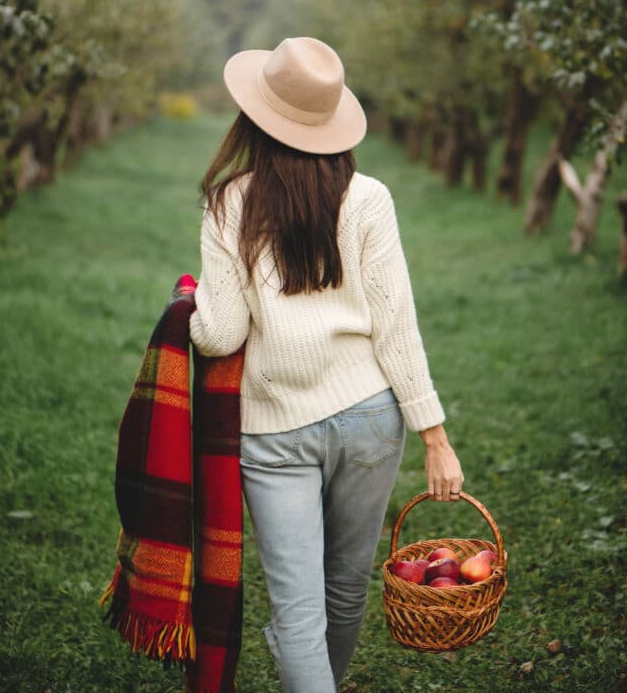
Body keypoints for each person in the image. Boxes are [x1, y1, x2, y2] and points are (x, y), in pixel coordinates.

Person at [189, 36, 463, 693]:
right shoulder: (369, 198)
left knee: (298, 613)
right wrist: (435, 436)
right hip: (371, 419)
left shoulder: (230, 202)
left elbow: (220, 335)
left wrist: (191, 313)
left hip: (276, 428)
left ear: (255, 115)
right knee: (343, 595)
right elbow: (396, 324)